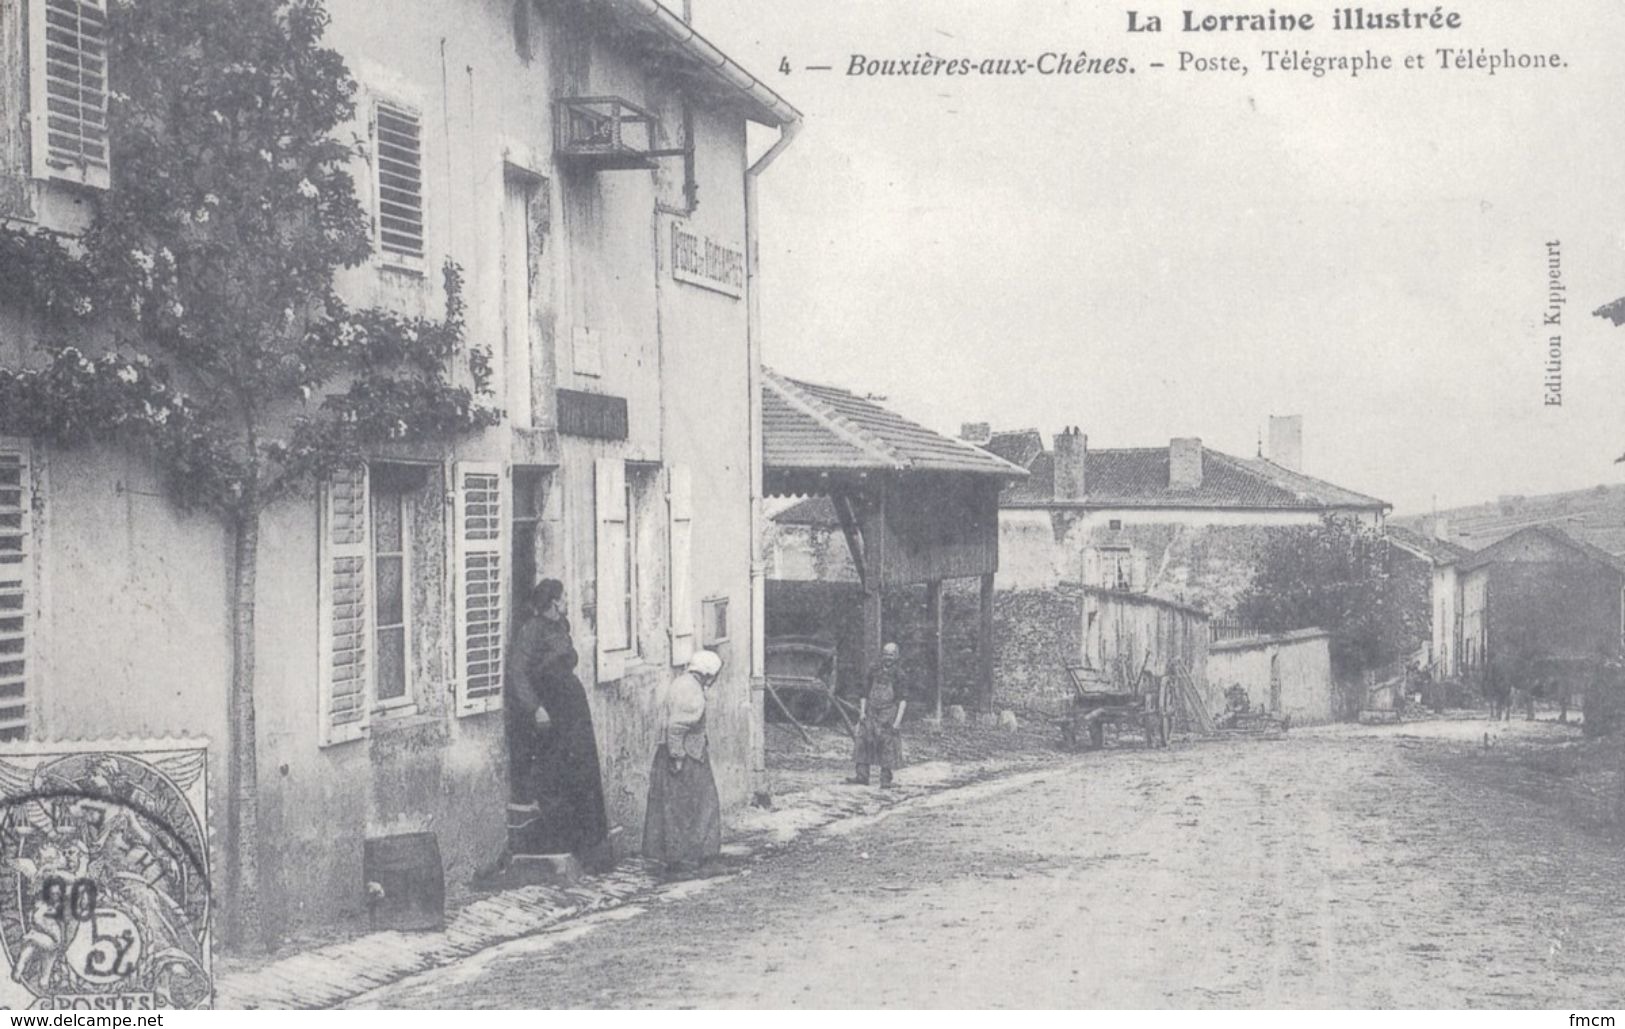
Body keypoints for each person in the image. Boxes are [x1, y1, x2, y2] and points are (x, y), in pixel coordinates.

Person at [507, 578, 609, 859]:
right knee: (556, 772)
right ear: (552, 601)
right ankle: (561, 840)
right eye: (563, 598)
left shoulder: (560, 627)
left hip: (572, 709)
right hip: (551, 710)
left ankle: (587, 842)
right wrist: (536, 708)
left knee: (582, 769)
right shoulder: (532, 631)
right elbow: (517, 673)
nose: (566, 603)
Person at [643, 650, 725, 880]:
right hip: (688, 755)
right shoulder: (692, 691)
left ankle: (677, 860)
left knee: (674, 807)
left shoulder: (681, 683)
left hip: (679, 752)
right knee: (701, 806)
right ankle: (697, 860)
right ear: (708, 674)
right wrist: (678, 757)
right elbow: (677, 727)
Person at [849, 641, 907, 788]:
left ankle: (885, 780)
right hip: (871, 711)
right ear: (882, 655)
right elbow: (864, 693)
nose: (888, 657)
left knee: (887, 745)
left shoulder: (900, 675)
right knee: (863, 741)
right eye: (886, 654)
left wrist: (897, 722)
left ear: (897, 656)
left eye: (891, 655)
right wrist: (862, 712)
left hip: (888, 713)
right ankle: (861, 776)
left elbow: (902, 700)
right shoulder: (874, 670)